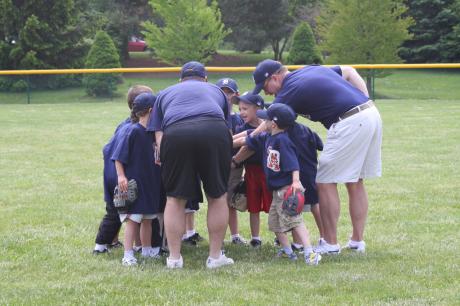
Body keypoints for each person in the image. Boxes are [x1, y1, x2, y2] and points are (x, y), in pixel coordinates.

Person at [252, 59, 382, 254]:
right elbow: (348, 70)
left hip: (349, 122)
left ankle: (330, 244)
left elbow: (270, 122)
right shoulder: (308, 71)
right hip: (370, 114)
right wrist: (365, 98)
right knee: (355, 182)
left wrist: (249, 138)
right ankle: (357, 241)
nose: (267, 93)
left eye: (265, 87)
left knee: (324, 182)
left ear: (275, 77)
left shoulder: (288, 89)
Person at [148, 61, 234, 269]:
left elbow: (158, 134)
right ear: (205, 79)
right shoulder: (216, 91)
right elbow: (227, 129)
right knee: (218, 195)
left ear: (180, 80)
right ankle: (215, 257)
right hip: (214, 130)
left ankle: (175, 259)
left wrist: (166, 155)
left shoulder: (164, 93)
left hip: (176, 132)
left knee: (175, 199)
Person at [233, 103, 321, 265]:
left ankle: (310, 251)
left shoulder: (283, 141)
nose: (262, 122)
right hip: (275, 191)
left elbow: (293, 164)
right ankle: (288, 251)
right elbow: (248, 139)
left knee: (294, 221)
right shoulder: (268, 137)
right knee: (274, 223)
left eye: (264, 120)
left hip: (287, 189)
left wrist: (295, 181)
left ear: (273, 124)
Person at [93, 85, 153, 254]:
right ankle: (100, 245)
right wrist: (121, 175)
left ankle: (116, 242)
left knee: (120, 211)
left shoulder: (125, 124)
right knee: (119, 211)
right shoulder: (134, 129)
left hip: (114, 171)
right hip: (120, 173)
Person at [112, 93, 163, 266]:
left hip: (151, 184)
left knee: (148, 219)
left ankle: (147, 250)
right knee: (133, 220)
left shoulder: (153, 133)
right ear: (151, 110)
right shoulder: (132, 131)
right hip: (136, 184)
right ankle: (128, 254)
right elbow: (118, 157)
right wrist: (121, 176)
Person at [232, 92, 272, 248]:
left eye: (245, 108)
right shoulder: (243, 128)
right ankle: (255, 237)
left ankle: (278, 234)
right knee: (253, 206)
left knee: (272, 205)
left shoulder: (269, 125)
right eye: (240, 108)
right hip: (251, 171)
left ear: (258, 108)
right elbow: (242, 144)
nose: (241, 112)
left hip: (268, 171)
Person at [216, 77, 247, 245]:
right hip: (216, 163)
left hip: (234, 164)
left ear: (236, 95)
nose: (226, 96)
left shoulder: (239, 118)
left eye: (229, 93)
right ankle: (218, 236)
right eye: (222, 92)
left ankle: (234, 235)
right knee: (218, 200)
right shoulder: (214, 116)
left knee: (231, 201)